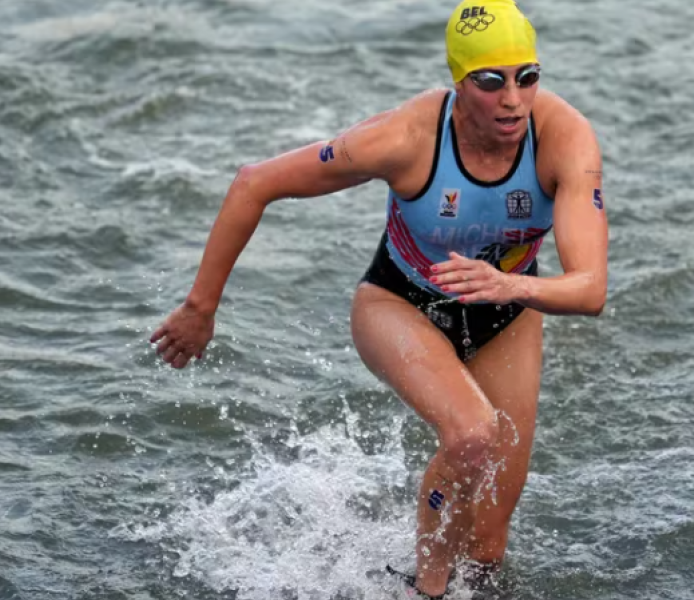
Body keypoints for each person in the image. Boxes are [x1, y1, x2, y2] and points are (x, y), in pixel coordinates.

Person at [150, 0, 608, 596]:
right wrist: (200, 307)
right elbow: (254, 183)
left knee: (490, 543)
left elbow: (590, 289)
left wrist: (511, 286)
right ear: (458, 82)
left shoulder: (564, 140)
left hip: (507, 313)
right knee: (472, 434)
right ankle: (427, 587)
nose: (514, 100)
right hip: (400, 303)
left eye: (528, 77)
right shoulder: (404, 138)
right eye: (491, 81)